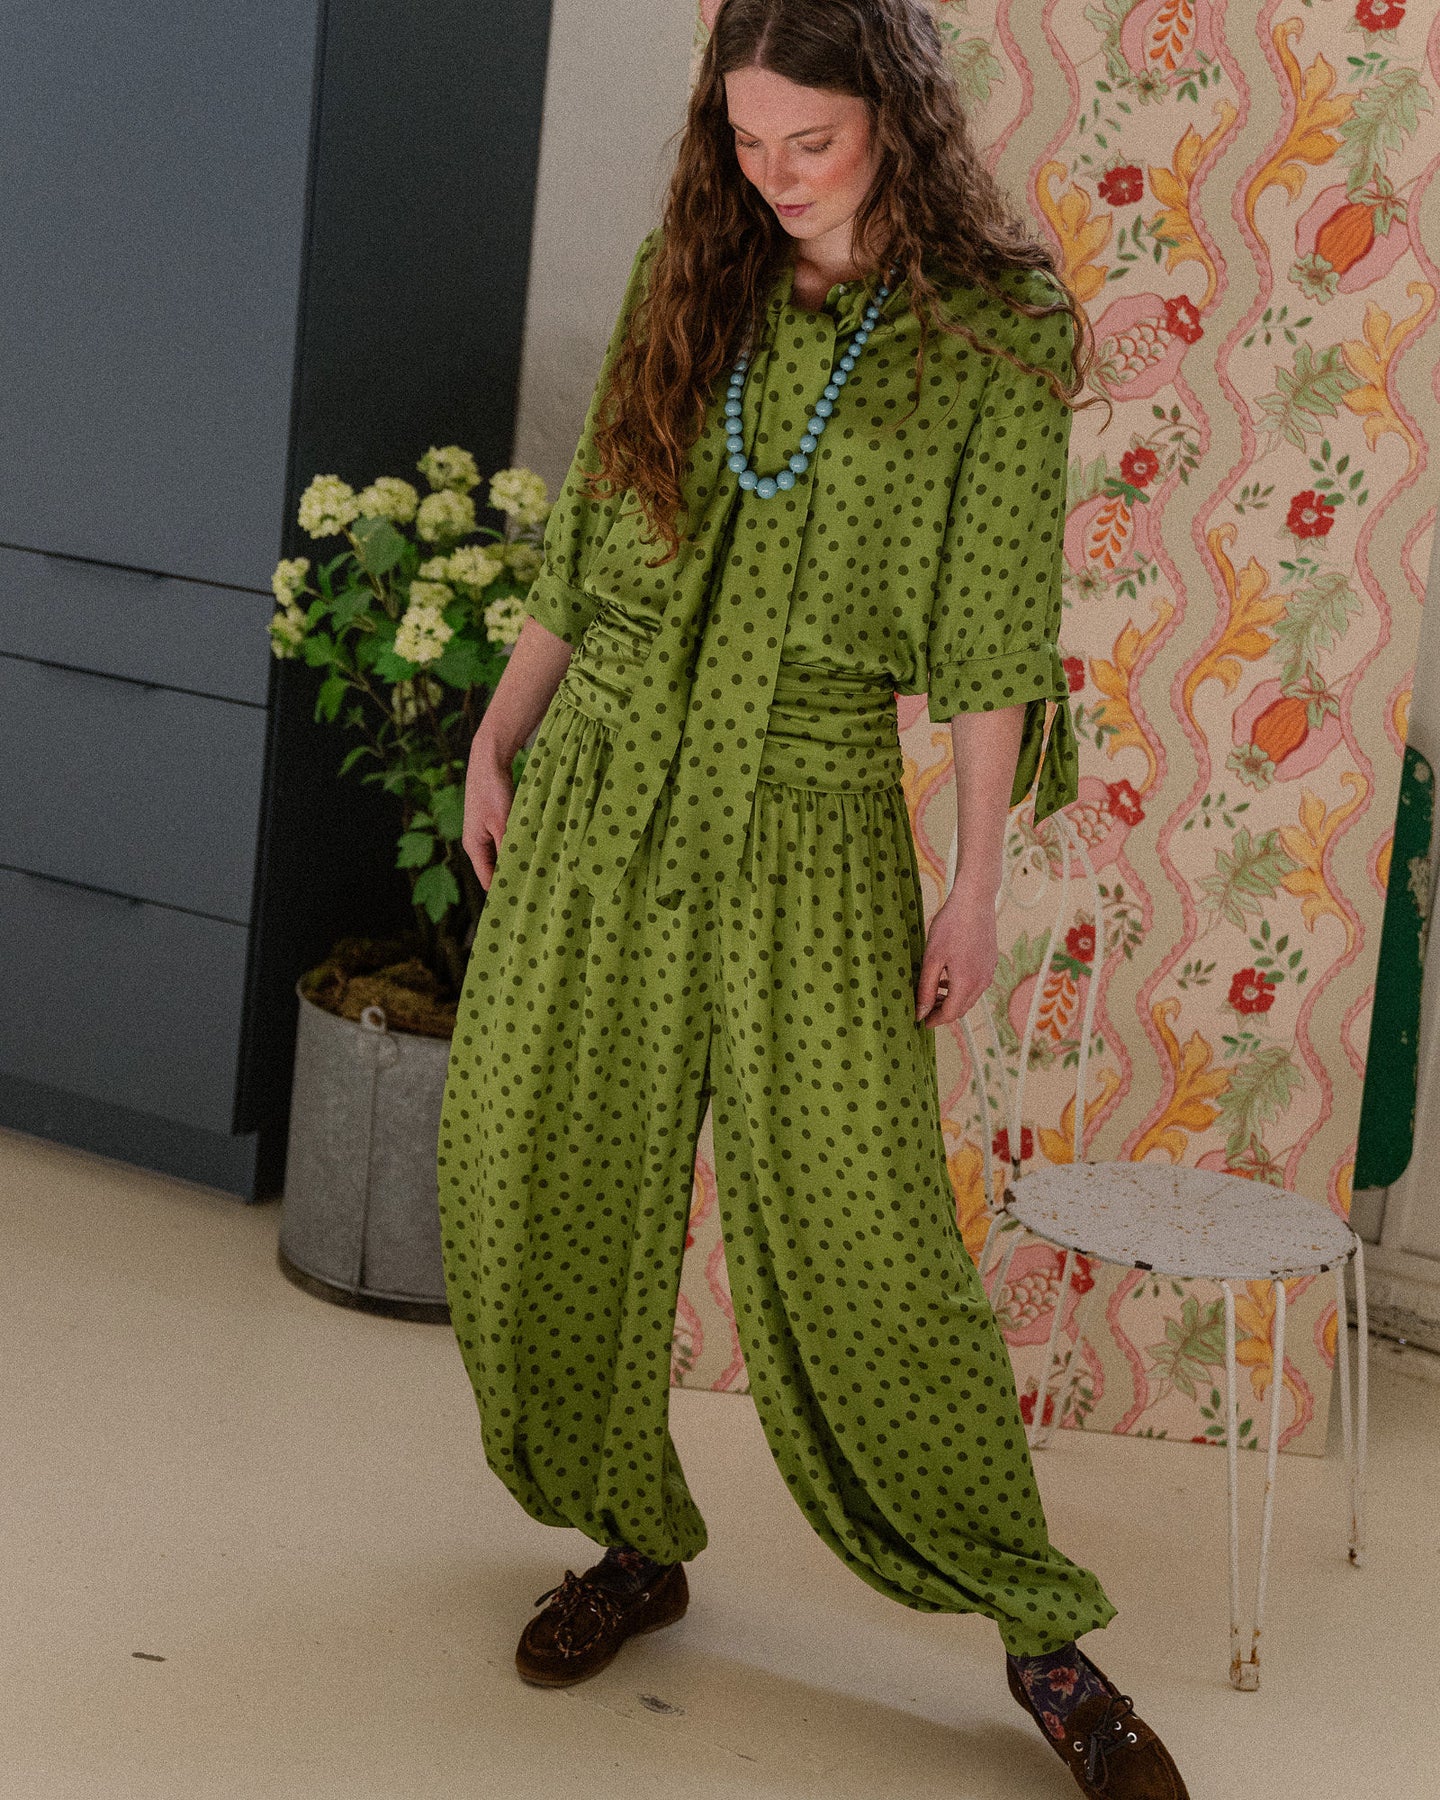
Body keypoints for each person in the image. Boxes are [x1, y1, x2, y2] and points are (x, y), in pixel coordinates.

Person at [438, 2, 1188, 1795]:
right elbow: (590, 537)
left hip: (811, 811)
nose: (774, 177)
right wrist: (498, 732)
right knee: (533, 1160)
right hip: (604, 776)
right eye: (748, 140)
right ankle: (633, 1543)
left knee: (867, 1246)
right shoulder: (686, 272)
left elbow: (993, 641)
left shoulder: (994, 335)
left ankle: (1041, 1641)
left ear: (894, 118)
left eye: (813, 143)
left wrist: (976, 882)